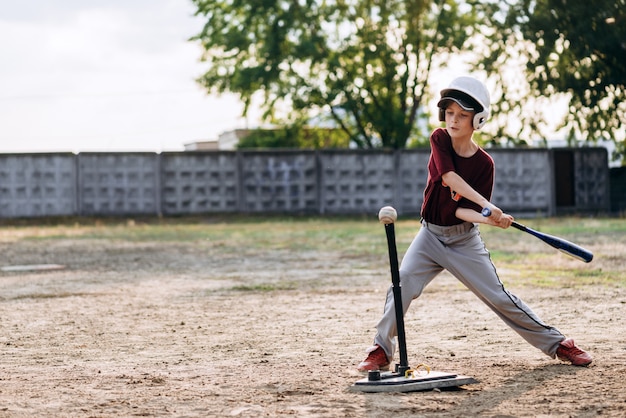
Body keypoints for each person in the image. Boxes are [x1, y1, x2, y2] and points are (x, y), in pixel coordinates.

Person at [357, 76, 592, 372]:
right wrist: (488, 206)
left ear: (477, 120)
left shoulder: (485, 165)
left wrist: (491, 218)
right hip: (429, 236)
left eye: (462, 115)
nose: (453, 120)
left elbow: (461, 211)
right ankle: (380, 348)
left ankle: (559, 344)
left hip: (463, 240)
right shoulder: (439, 139)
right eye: (450, 113)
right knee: (401, 284)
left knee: (500, 298)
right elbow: (449, 179)